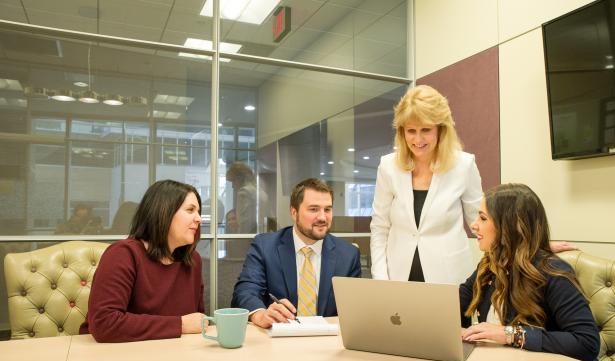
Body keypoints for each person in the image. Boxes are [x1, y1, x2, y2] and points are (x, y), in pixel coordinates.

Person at [370, 85, 576, 284]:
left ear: (441, 130)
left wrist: (530, 245)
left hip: (449, 277)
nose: (418, 139)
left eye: (426, 130)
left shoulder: (463, 165)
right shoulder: (388, 166)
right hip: (397, 276)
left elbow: (483, 221)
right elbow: (380, 228)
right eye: (411, 131)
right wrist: (380, 279)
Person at [460, 183, 599, 361]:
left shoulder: (553, 272)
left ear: (508, 227)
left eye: (483, 218)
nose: (473, 225)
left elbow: (586, 342)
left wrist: (510, 334)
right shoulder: (489, 265)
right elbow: (453, 306)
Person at [80, 180, 206, 343]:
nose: (199, 219)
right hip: (112, 357)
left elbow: (196, 322)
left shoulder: (193, 260)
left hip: (172, 355)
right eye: (190, 210)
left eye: (199, 211)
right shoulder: (123, 254)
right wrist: (180, 324)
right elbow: (105, 323)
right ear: (163, 212)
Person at [231, 178, 361, 329]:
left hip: (328, 342)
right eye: (313, 209)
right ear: (294, 212)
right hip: (278, 341)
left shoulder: (349, 255)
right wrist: (260, 314)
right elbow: (245, 291)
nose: (322, 217)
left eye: (327, 209)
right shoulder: (265, 246)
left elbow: (354, 310)